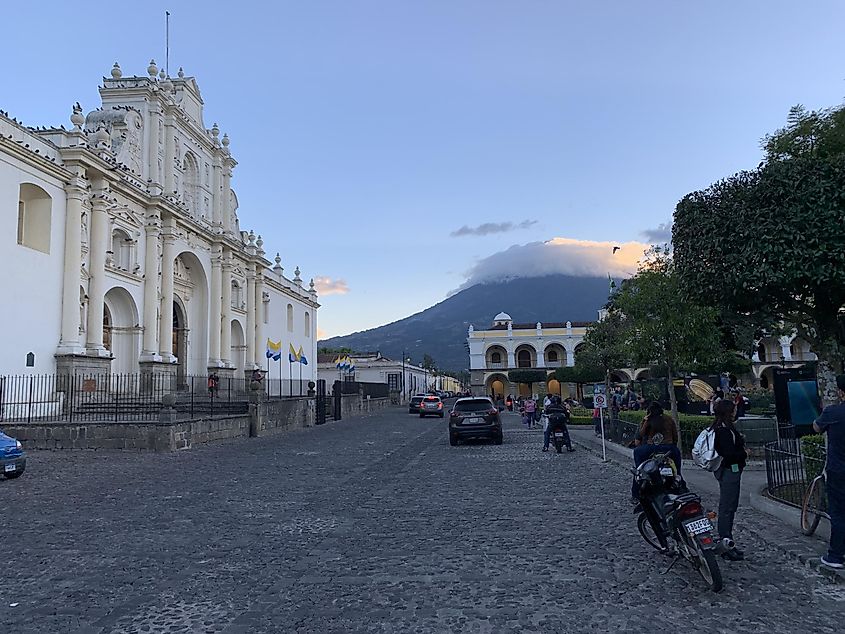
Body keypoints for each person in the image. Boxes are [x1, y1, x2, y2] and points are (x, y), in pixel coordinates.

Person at [813, 374, 845, 570]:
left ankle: (835, 555)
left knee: (839, 512)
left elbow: (816, 427)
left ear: (841, 392)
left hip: (839, 469)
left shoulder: (834, 412)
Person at [712, 398, 747, 562]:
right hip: (729, 471)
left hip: (730, 470)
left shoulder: (722, 428)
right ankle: (724, 542)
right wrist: (744, 453)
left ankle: (727, 540)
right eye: (733, 410)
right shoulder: (724, 430)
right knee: (727, 507)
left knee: (730, 506)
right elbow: (729, 454)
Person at [631, 402, 683, 503]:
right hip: (669, 448)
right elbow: (675, 437)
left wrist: (645, 421)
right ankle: (680, 484)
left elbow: (641, 434)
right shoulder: (668, 419)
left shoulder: (649, 420)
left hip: (652, 448)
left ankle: (637, 489)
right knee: (677, 469)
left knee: (638, 457)